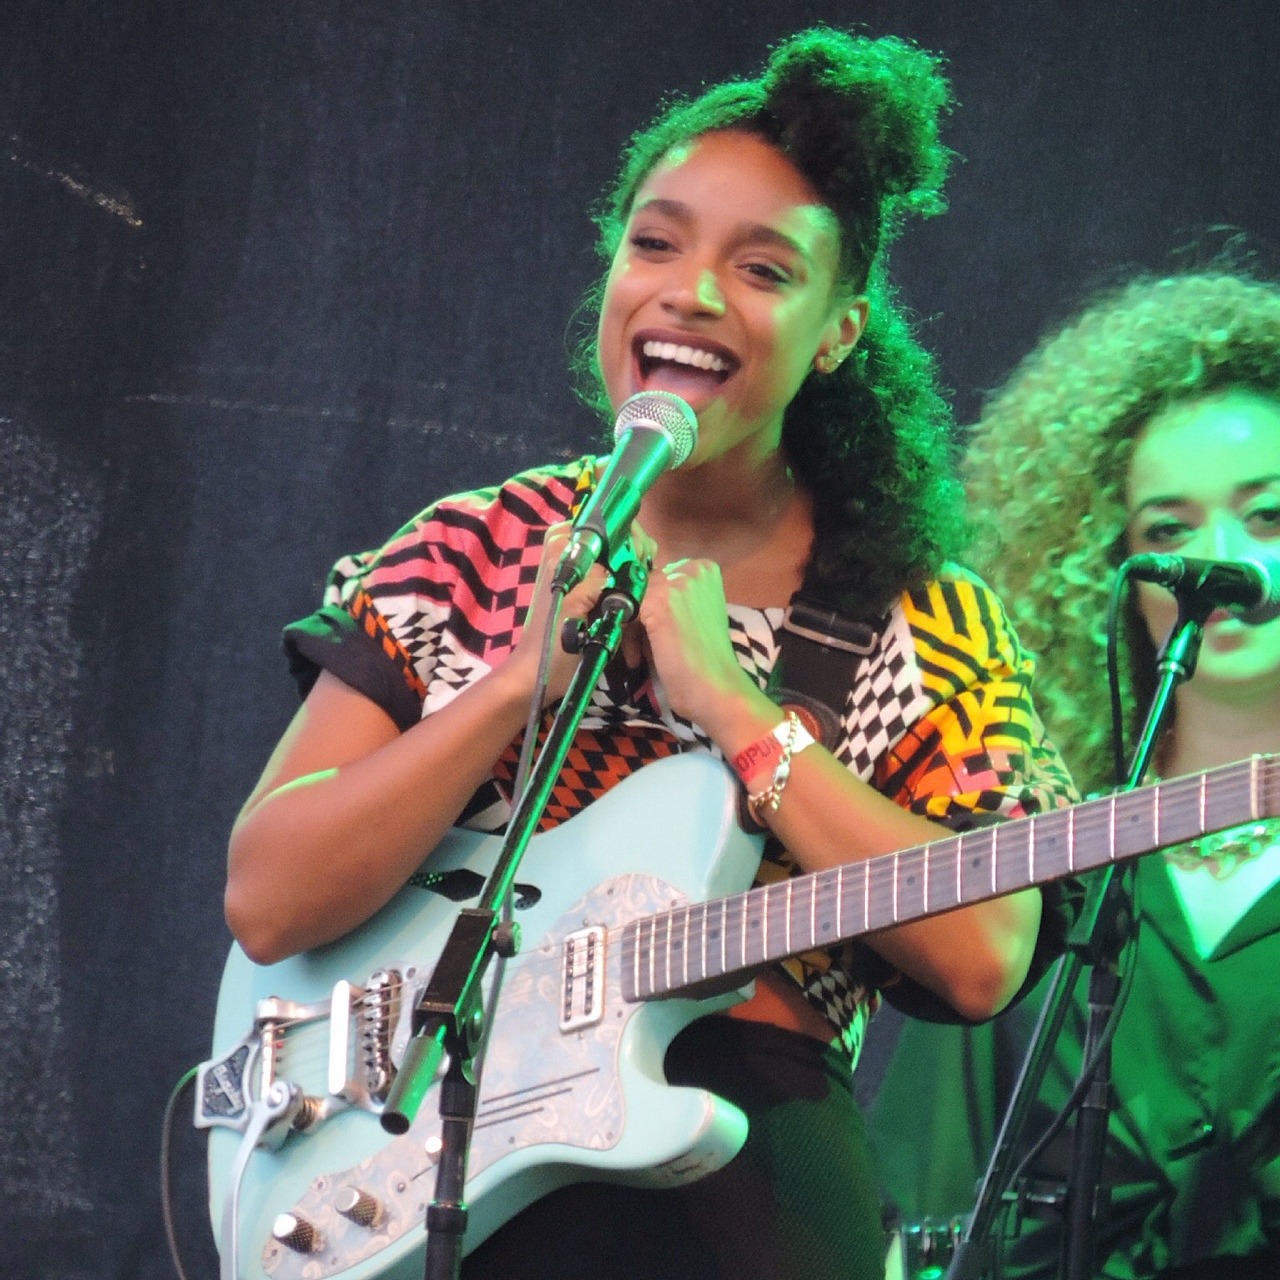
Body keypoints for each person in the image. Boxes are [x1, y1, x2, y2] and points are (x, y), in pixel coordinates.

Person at [224, 27, 1077, 1280]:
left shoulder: (913, 611)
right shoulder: (476, 543)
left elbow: (983, 950)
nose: (691, 291)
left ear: (837, 332)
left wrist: (737, 714)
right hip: (420, 1139)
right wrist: (522, 680)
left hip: (733, 1162)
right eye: (656, 241)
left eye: (764, 269)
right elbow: (269, 895)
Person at [872, 269, 1280, 1280]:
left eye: (1266, 515)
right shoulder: (1046, 869)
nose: (1220, 561)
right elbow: (924, 1213)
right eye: (1167, 532)